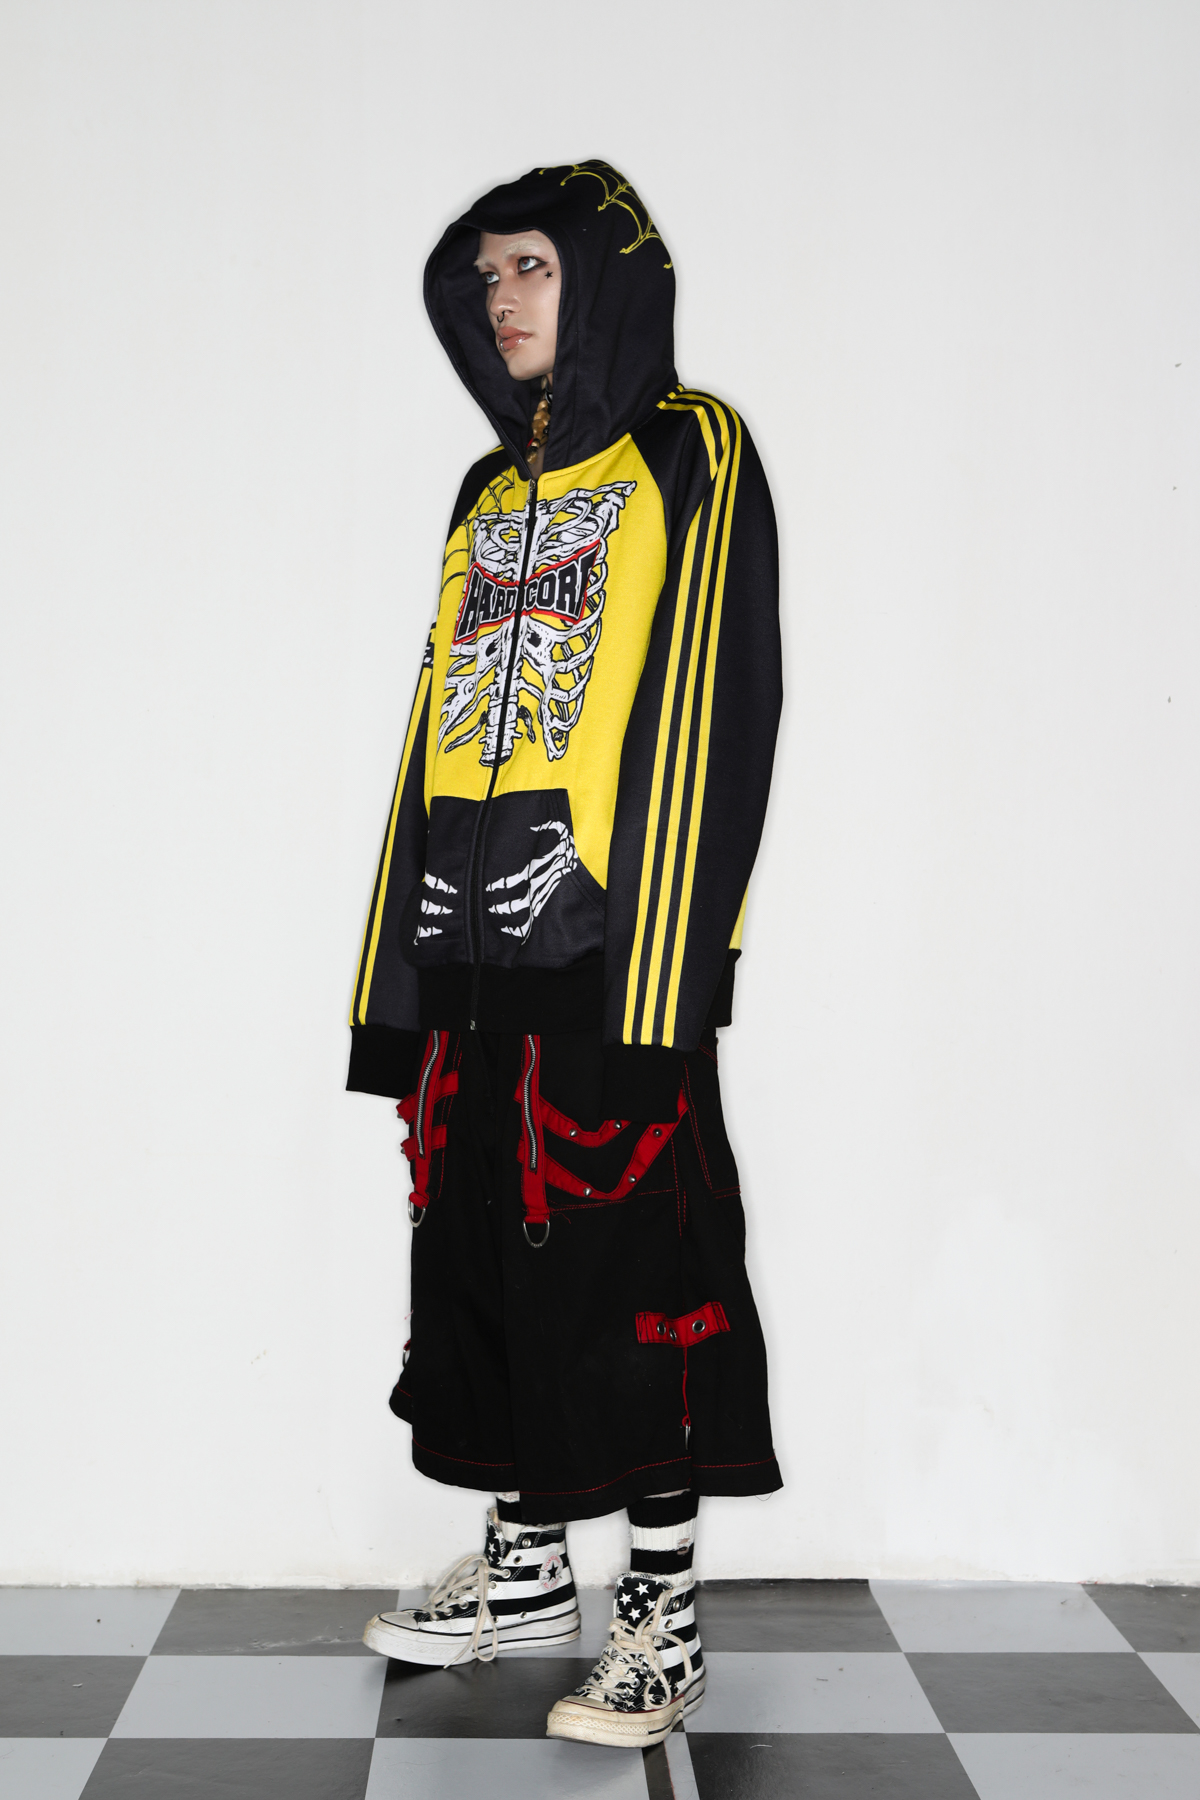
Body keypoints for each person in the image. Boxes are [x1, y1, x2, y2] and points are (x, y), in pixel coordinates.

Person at [347, 159, 782, 1750]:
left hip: (612, 954)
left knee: (638, 1273)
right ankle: (528, 1570)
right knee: (480, 1259)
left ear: (604, 277)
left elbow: (720, 701)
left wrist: (659, 959)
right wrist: (394, 972)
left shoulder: (689, 449)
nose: (503, 297)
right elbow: (432, 727)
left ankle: (662, 1614)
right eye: (485, 275)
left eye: (532, 265)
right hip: (468, 953)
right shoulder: (485, 491)